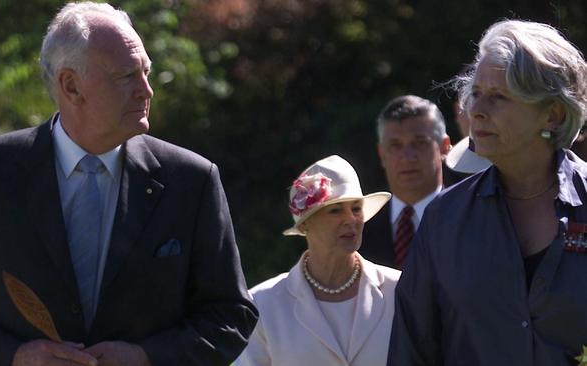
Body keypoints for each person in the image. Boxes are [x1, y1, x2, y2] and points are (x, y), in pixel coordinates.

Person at [0, 2, 257, 365]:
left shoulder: (191, 180)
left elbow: (232, 316)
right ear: (71, 86)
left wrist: (146, 358)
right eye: (126, 76)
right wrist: (16, 357)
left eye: (146, 72)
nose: (146, 90)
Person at [388, 19, 587, 366]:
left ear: (552, 115)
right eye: (476, 93)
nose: (476, 111)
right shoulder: (444, 218)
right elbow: (411, 350)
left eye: (498, 97)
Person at [235, 155, 400, 366]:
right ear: (305, 225)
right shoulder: (264, 305)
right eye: (335, 210)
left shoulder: (398, 289)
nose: (350, 219)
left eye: (356, 208)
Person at [359, 95, 455, 269]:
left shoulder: (470, 218)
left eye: (419, 143)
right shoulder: (358, 230)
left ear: (444, 146)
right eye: (395, 145)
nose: (407, 157)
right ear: (381, 153)